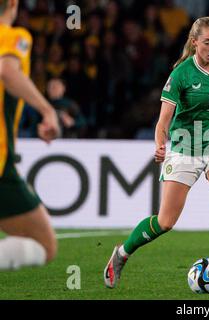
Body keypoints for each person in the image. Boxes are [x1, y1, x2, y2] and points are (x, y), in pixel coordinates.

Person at [104, 17, 209, 293]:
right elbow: (163, 121)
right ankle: (122, 254)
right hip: (184, 147)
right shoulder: (181, 74)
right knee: (165, 222)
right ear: (195, 42)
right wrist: (160, 144)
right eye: (208, 43)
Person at [0, 0, 60, 270]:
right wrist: (47, 110)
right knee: (44, 245)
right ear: (13, 4)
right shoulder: (15, 37)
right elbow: (6, 71)